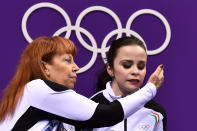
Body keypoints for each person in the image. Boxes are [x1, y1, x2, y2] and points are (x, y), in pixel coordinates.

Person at [0, 36, 164, 131]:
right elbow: (105, 115)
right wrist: (150, 88)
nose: (76, 67)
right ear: (44, 66)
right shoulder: (37, 90)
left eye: (141, 66)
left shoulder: (60, 113)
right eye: (67, 60)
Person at [81, 36, 166, 131]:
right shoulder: (91, 107)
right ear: (110, 69)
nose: (135, 71)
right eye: (127, 65)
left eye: (141, 66)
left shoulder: (156, 112)